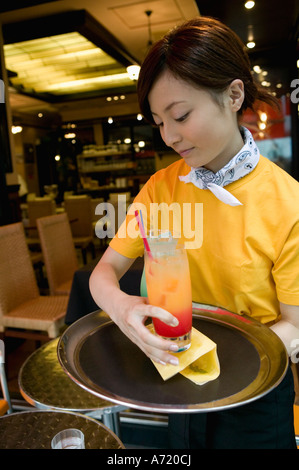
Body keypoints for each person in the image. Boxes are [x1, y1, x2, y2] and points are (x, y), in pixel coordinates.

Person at [89, 16, 299, 448]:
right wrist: (124, 310)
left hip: (257, 386)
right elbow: (104, 271)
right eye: (158, 122)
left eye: (180, 115)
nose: (169, 136)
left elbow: (294, 324)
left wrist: (222, 359)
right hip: (178, 377)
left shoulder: (287, 202)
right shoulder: (161, 188)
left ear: (234, 94)